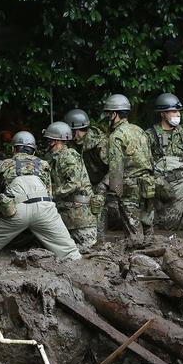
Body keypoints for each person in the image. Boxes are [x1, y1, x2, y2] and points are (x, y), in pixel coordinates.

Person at [0, 131, 81, 261]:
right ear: (33, 152)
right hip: (45, 209)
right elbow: (49, 193)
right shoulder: (43, 164)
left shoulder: (6, 164)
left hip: (16, 211)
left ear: (13, 149)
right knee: (70, 252)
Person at [146, 93, 183, 230]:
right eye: (173, 111)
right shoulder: (150, 135)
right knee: (167, 225)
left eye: (178, 111)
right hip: (163, 188)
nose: (177, 114)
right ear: (163, 114)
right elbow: (143, 164)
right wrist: (157, 181)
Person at [103, 94, 157, 238]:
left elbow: (116, 169)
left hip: (130, 188)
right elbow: (150, 158)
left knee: (134, 233)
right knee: (148, 227)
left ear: (114, 114)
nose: (107, 117)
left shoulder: (116, 136)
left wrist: (114, 195)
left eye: (109, 114)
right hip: (148, 185)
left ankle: (138, 256)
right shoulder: (139, 130)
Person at [44, 121, 98, 251]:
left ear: (54, 141)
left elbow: (74, 183)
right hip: (67, 213)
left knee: (85, 250)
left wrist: (52, 194)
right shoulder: (54, 157)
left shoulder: (68, 156)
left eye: (48, 140)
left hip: (80, 217)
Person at [65, 108, 110, 240]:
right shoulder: (71, 144)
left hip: (102, 184)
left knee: (97, 201)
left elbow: (116, 168)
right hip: (83, 184)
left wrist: (103, 185)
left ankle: (99, 238)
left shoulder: (100, 144)